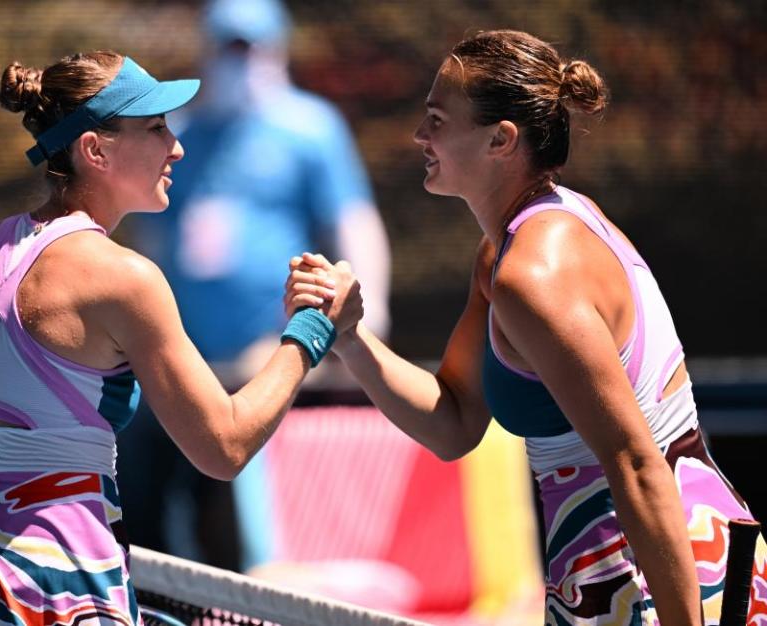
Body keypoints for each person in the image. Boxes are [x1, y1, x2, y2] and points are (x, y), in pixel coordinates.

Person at [287, 30, 766, 625]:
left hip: (660, 589)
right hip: (637, 578)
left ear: (500, 139)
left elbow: (639, 468)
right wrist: (350, 335)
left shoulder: (532, 277)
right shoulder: (510, 253)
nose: (419, 136)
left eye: (437, 120)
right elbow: (454, 421)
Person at [0, 50, 361, 625]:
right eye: (156, 128)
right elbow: (224, 446)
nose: (177, 146)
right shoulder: (126, 279)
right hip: (59, 602)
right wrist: (314, 327)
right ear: (96, 150)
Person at [118, 0, 390, 570]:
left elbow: (352, 223)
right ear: (208, 50)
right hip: (180, 360)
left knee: (250, 518)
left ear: (278, 48)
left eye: (253, 46)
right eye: (229, 46)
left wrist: (370, 312)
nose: (241, 60)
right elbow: (148, 238)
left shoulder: (310, 128)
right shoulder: (180, 133)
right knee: (148, 495)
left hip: (271, 359)